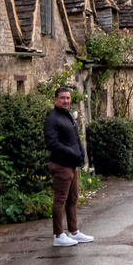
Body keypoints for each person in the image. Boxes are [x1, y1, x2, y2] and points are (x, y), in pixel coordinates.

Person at [43, 87, 93, 247]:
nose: (66, 101)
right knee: (60, 200)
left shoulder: (67, 116)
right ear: (55, 100)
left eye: (68, 98)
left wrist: (80, 154)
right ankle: (58, 236)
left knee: (72, 199)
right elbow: (52, 144)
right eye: (62, 98)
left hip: (72, 166)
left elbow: (74, 139)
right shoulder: (53, 119)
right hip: (60, 165)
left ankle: (74, 232)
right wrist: (72, 153)